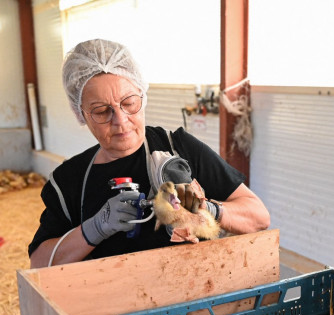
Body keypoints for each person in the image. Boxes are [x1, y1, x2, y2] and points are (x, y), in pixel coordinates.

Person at [28, 39, 270, 268]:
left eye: (129, 103)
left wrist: (209, 208)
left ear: (142, 95)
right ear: (80, 114)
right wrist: (95, 228)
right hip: (115, 304)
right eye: (102, 111)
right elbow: (39, 263)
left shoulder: (179, 148)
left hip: (195, 295)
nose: (120, 121)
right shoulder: (69, 180)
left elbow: (258, 217)